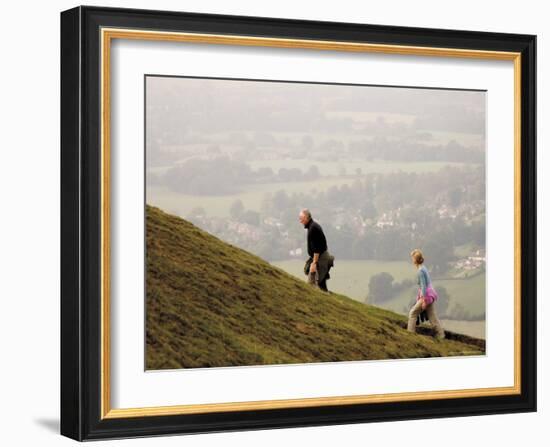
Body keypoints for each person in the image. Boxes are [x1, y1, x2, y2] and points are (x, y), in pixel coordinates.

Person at [407, 249, 445, 339]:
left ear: (415, 260)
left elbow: (423, 286)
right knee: (432, 316)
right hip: (431, 294)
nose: (412, 260)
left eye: (412, 258)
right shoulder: (423, 267)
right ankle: (441, 335)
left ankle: (410, 334)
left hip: (426, 296)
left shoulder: (420, 271)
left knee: (413, 313)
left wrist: (424, 301)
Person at [299, 208, 334, 292]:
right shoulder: (312, 226)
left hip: (321, 257)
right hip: (320, 256)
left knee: (316, 281)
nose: (300, 221)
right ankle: (323, 292)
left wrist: (314, 263)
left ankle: (322, 295)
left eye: (301, 218)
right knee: (308, 269)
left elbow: (317, 249)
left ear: (306, 217)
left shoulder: (312, 228)